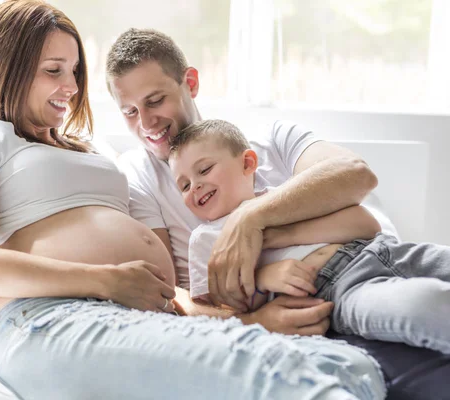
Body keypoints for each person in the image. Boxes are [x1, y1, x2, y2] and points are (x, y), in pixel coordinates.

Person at [0, 1, 388, 399]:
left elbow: (357, 180)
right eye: (54, 70)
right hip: (45, 315)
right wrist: (106, 281)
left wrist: (241, 317)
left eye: (74, 72)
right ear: (8, 67)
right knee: (286, 376)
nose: (70, 87)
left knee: (351, 367)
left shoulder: (85, 149)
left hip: (130, 312)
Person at [108, 28, 380, 331]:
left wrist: (250, 219)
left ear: (191, 83)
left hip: (364, 263)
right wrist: (253, 322)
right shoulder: (137, 177)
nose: (146, 123)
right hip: (315, 305)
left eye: (155, 100)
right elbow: (162, 292)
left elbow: (357, 174)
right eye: (130, 112)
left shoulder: (272, 139)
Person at [169, 119, 450, 354]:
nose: (195, 186)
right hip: (339, 290)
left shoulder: (287, 198)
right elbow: (222, 304)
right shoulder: (204, 239)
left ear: (248, 163)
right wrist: (263, 276)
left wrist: (270, 236)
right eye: (183, 186)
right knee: (426, 305)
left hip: (380, 250)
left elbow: (366, 224)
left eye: (204, 170)